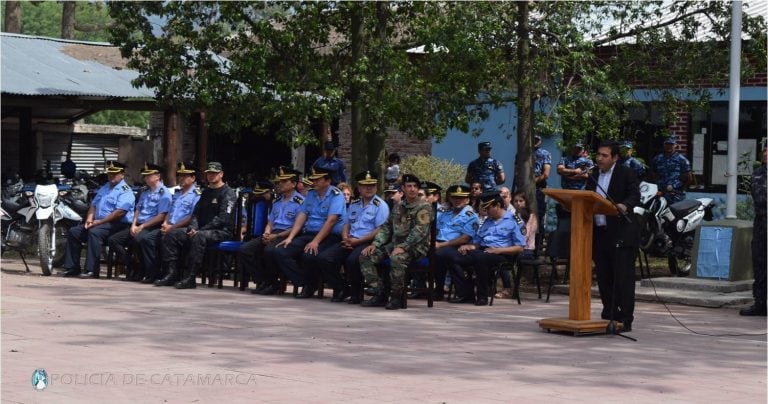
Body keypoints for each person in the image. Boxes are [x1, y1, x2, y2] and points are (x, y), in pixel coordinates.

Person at [587, 140, 640, 331]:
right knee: (604, 276)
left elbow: (635, 195)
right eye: (598, 155)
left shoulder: (625, 173)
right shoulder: (593, 175)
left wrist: (624, 205)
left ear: (615, 157)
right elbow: (586, 198)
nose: (599, 159)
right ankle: (609, 313)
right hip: (600, 233)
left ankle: (625, 318)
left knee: (623, 277)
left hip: (621, 233)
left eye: (604, 155)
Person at [313, 171, 389, 304]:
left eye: (372, 185)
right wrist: (345, 237)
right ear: (359, 188)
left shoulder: (380, 205)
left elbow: (380, 229)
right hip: (350, 240)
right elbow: (346, 224)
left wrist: (358, 241)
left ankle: (356, 293)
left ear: (376, 187)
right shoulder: (354, 204)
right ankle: (342, 288)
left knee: (352, 260)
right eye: (365, 186)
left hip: (367, 241)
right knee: (324, 258)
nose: (369, 188)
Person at [359, 174, 432, 310]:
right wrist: (375, 244)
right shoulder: (398, 206)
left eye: (415, 186)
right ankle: (380, 292)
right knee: (366, 256)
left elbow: (419, 231)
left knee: (397, 258)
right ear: (403, 188)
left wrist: (404, 247)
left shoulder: (424, 207)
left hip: (416, 247)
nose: (412, 189)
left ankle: (396, 297)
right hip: (395, 244)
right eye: (409, 186)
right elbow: (387, 228)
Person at [162, 161, 237, 289]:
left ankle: (191, 277)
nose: (211, 176)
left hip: (221, 231)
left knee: (198, 237)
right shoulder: (206, 193)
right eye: (209, 173)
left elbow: (223, 218)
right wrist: (193, 227)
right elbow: (196, 214)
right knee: (172, 234)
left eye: (214, 173)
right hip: (200, 230)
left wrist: (200, 230)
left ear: (221, 174)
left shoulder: (228, 193)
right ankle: (172, 273)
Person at [274, 167, 346, 298]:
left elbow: (331, 221)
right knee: (281, 251)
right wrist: (290, 237)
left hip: (329, 236)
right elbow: (302, 215)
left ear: (327, 180)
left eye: (317, 179)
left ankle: (314, 286)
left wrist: (315, 242)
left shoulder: (336, 195)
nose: (314, 182)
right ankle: (306, 282)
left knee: (309, 255)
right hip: (309, 233)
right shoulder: (311, 194)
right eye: (313, 179)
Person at [60, 161, 135, 278]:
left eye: (114, 174)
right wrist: (89, 219)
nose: (111, 176)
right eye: (110, 174)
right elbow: (93, 205)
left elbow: (119, 212)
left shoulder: (125, 191)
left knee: (94, 233)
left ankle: (92, 270)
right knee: (74, 232)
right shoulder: (105, 187)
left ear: (122, 174)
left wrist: (99, 222)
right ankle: (72, 267)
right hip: (98, 223)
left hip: (117, 225)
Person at [452, 191, 526, 306]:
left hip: (503, 255)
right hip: (483, 251)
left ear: (497, 205)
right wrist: (470, 246)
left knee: (480, 258)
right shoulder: (488, 221)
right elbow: (478, 242)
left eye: (488, 208)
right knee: (453, 258)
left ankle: (482, 296)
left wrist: (498, 250)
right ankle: (466, 293)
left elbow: (520, 248)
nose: (486, 211)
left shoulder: (514, 220)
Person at [107, 163, 172, 283]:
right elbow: (138, 210)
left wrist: (142, 226)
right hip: (139, 225)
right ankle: (133, 266)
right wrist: (134, 225)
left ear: (157, 176)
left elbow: (161, 215)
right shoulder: (145, 192)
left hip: (152, 226)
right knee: (114, 240)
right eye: (145, 176)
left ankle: (149, 272)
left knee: (140, 239)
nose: (146, 178)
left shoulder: (164, 193)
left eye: (149, 176)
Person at [248, 168, 305, 295]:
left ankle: (273, 284)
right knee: (247, 249)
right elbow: (270, 222)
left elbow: (297, 226)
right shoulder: (277, 201)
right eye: (279, 182)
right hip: (273, 232)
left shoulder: (301, 202)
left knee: (269, 250)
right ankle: (262, 281)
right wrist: (267, 233)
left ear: (294, 184)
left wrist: (276, 236)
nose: (280, 184)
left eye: (284, 181)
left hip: (288, 234)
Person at [154, 163, 201, 286]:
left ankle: (171, 274)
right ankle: (156, 272)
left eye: (185, 176)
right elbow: (170, 210)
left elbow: (192, 216)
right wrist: (165, 223)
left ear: (193, 178)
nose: (182, 178)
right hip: (170, 226)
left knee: (169, 236)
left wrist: (171, 227)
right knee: (151, 237)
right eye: (180, 176)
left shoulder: (196, 194)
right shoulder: (177, 193)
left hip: (185, 228)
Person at [433, 185, 479, 301]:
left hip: (456, 247)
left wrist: (441, 245)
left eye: (461, 198)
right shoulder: (444, 213)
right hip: (438, 244)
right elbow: (433, 229)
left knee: (441, 255)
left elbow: (465, 238)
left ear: (467, 200)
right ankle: (423, 287)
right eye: (454, 197)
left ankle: (441, 290)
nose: (457, 200)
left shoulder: (471, 216)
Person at [496, 191, 538, 299]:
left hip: (526, 249)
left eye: (521, 201)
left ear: (526, 202)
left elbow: (525, 235)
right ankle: (507, 287)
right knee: (501, 258)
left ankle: (513, 289)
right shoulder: (510, 215)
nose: (518, 203)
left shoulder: (531, 217)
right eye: (516, 201)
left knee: (514, 257)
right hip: (512, 247)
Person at [740, 147, 767, 316]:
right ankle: (761, 303)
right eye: (764, 152)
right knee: (760, 264)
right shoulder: (758, 174)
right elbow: (758, 196)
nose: (765, 155)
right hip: (762, 224)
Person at [650, 136, 691, 204]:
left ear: (675, 145)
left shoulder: (682, 160)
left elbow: (688, 177)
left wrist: (681, 190)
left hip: (676, 195)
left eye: (671, 144)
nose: (669, 146)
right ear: (664, 144)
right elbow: (653, 175)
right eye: (667, 144)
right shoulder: (657, 159)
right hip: (660, 193)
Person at [533, 134, 552, 227]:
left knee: (539, 214)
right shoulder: (523, 152)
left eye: (537, 140)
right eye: (533, 139)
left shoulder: (545, 153)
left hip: (539, 187)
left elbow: (546, 174)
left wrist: (532, 183)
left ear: (540, 141)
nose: (535, 142)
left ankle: (538, 240)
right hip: (524, 187)